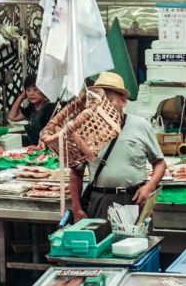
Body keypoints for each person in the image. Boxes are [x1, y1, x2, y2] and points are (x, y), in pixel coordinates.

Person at [69, 71, 166, 223]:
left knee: (136, 245)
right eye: (99, 100)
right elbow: (76, 173)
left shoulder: (140, 125)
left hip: (134, 199)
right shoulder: (85, 130)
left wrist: (149, 187)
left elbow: (159, 163)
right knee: (101, 244)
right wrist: (77, 209)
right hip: (100, 199)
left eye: (109, 100)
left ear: (123, 101)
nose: (103, 106)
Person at [8, 74, 56, 146]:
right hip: (34, 147)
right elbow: (12, 117)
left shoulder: (50, 108)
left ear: (43, 90)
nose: (31, 93)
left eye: (35, 89)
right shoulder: (31, 108)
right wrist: (21, 97)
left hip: (46, 149)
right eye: (28, 90)